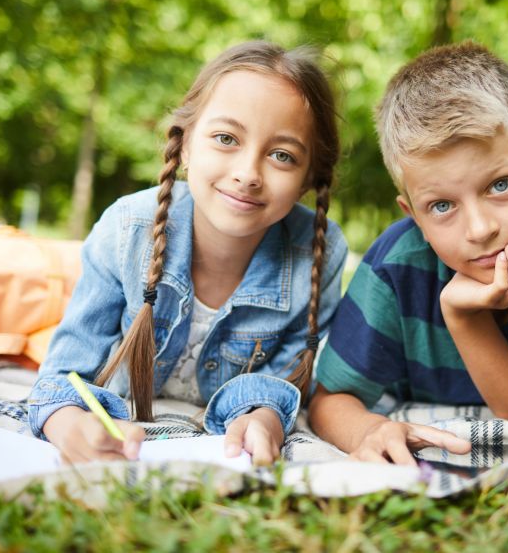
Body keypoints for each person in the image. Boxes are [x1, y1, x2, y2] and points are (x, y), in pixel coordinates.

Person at [28, 41, 347, 465]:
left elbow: (289, 377)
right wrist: (67, 423)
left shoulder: (317, 252)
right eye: (226, 138)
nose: (248, 174)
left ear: (309, 178)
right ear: (185, 145)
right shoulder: (127, 229)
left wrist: (266, 417)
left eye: (282, 156)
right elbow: (65, 374)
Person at [309, 41, 508, 465]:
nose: (481, 229)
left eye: (501, 185)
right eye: (441, 206)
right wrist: (371, 430)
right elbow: (330, 400)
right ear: (413, 215)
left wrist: (464, 318)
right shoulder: (394, 268)